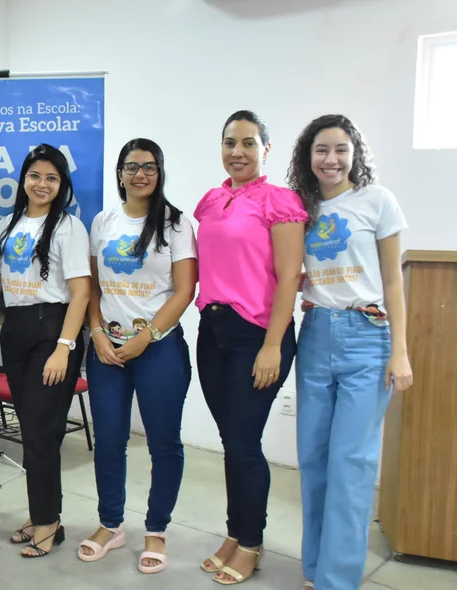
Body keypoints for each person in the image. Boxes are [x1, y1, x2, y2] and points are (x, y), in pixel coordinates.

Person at [286, 114, 413, 590]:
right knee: (314, 458)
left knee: (351, 463)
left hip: (368, 336)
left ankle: (338, 580)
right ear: (308, 156)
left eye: (341, 149)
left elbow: (393, 282)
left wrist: (399, 352)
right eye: (322, 150)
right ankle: (315, 570)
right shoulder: (303, 207)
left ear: (354, 153)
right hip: (317, 332)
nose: (331, 159)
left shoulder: (377, 201)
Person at [194, 110, 308, 585]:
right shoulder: (211, 200)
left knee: (243, 444)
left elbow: (288, 280)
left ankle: (251, 543)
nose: (237, 152)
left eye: (247, 143)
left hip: (256, 335)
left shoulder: (279, 202)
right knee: (232, 443)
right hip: (211, 330)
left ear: (266, 149)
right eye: (228, 142)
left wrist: (273, 345)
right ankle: (235, 533)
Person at [77, 138, 197, 574]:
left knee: (163, 443)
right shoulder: (103, 221)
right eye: (132, 166)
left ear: (160, 171)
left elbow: (185, 290)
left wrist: (147, 336)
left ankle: (156, 529)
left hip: (159, 348)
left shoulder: (177, 224)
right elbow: (91, 286)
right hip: (107, 349)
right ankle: (111, 524)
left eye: (149, 166)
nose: (140, 174)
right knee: (109, 440)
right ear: (120, 172)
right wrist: (95, 333)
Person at [0, 143, 91, 559]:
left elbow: (81, 292)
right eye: (35, 176)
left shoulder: (69, 228)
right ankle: (41, 513)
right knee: (33, 433)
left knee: (43, 434)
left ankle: (48, 522)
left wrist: (64, 348)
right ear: (23, 179)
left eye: (52, 178)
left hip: (52, 331)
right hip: (16, 330)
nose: (42, 184)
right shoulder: (8, 225)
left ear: (61, 185)